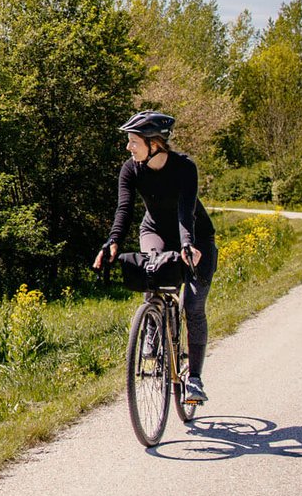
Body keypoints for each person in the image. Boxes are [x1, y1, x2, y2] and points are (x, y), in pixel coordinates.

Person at [92, 110, 218, 404]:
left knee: (193, 305)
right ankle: (153, 322)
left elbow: (186, 212)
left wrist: (187, 244)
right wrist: (112, 241)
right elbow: (123, 210)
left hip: (197, 238)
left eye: (133, 141)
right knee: (151, 271)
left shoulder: (184, 168)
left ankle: (195, 379)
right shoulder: (131, 169)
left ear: (154, 143)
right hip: (155, 231)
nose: (128, 147)